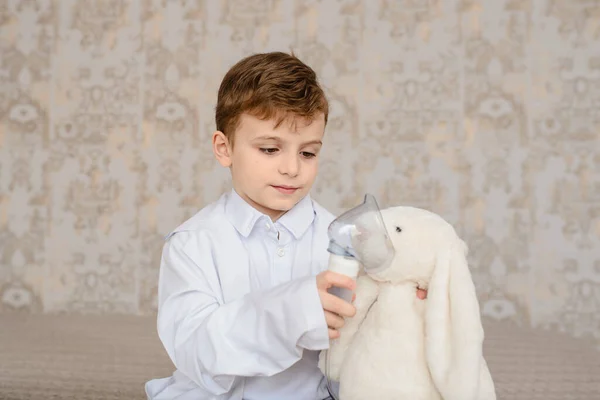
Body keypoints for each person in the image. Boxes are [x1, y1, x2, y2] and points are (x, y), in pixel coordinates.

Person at [145, 51, 427, 400]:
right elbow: (197, 350)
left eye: (308, 153)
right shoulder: (192, 243)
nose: (292, 168)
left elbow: (361, 349)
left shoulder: (342, 239)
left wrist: (406, 307)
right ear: (224, 148)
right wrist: (294, 311)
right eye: (269, 149)